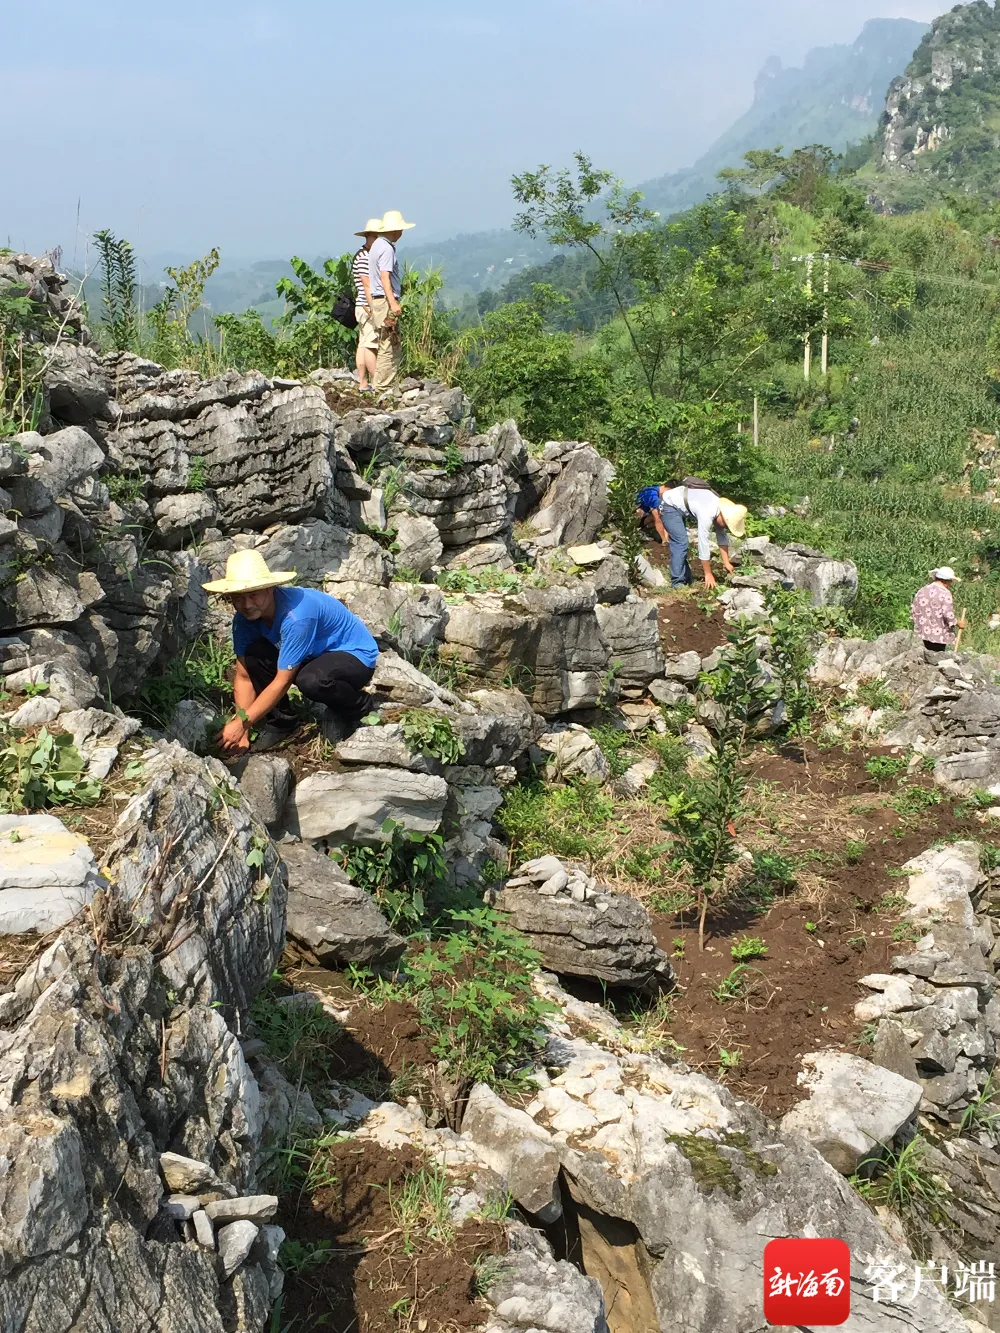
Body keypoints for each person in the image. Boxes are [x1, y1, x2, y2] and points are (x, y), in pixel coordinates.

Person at [203, 550, 380, 753]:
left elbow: (283, 680)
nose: (247, 605)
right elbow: (244, 676)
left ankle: (360, 706)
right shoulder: (244, 619)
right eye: (238, 598)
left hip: (354, 655)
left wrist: (242, 724)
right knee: (255, 653)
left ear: (270, 589)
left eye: (253, 595)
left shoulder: (297, 617)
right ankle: (283, 724)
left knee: (311, 681)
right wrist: (242, 727)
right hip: (311, 654)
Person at [636, 482, 746, 589]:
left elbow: (722, 537)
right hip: (668, 504)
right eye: (726, 524)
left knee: (681, 542)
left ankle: (687, 579)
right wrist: (708, 574)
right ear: (724, 517)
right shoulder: (707, 513)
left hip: (678, 505)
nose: (725, 527)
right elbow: (703, 543)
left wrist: (726, 562)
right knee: (680, 542)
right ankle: (677, 582)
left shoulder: (719, 510)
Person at [369, 209, 415, 394]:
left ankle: (381, 384)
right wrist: (393, 303)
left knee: (384, 343)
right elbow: (385, 277)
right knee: (390, 344)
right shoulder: (387, 249)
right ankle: (384, 388)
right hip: (386, 301)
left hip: (378, 300)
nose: (402, 233)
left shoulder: (376, 246)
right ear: (394, 230)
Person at [352, 218, 382, 393]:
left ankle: (363, 383)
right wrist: (374, 308)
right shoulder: (365, 257)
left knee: (363, 344)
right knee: (371, 344)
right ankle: (377, 383)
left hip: (361, 305)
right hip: (366, 305)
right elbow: (367, 284)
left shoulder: (361, 255)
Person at [912, 566, 965, 663]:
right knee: (937, 660)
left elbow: (914, 609)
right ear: (947, 581)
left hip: (922, 632)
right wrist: (958, 623)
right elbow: (947, 614)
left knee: (925, 658)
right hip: (938, 634)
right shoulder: (945, 593)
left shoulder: (922, 590)